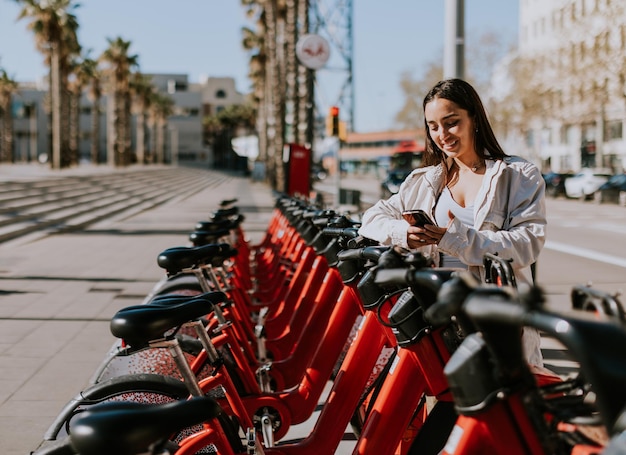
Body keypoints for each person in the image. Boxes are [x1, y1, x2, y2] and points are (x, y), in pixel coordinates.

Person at [358, 78, 546, 367]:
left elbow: (526, 246)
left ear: (474, 118)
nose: (442, 134)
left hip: (493, 327)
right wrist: (403, 233)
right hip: (434, 325)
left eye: (451, 122)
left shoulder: (517, 175)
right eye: (433, 126)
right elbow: (371, 219)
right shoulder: (424, 181)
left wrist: (453, 239)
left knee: (494, 411)